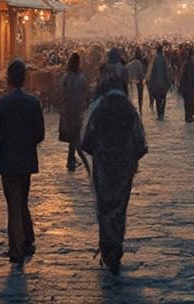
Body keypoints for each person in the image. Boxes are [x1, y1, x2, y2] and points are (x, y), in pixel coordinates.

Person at [79, 69, 148, 275]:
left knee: (104, 207)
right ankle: (116, 247)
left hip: (104, 166)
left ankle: (107, 248)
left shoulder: (99, 107)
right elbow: (141, 142)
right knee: (119, 208)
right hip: (124, 167)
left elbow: (86, 140)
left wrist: (99, 153)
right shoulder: (128, 108)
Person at [0, 59, 45, 265]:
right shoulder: (33, 103)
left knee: (14, 204)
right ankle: (28, 237)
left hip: (8, 160)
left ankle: (16, 248)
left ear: (9, 79)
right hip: (25, 161)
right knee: (21, 199)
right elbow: (39, 134)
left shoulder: (2, 104)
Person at [59, 53, 89, 172]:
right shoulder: (81, 79)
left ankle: (71, 160)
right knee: (75, 138)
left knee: (73, 137)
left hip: (68, 111)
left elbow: (61, 94)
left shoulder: (66, 77)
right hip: (77, 111)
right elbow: (85, 95)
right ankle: (75, 161)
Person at [146, 44, 171, 120]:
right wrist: (168, 81)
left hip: (156, 83)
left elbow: (152, 72)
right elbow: (167, 71)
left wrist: (151, 82)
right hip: (163, 83)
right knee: (163, 98)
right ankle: (162, 114)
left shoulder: (155, 59)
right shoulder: (164, 59)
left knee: (158, 99)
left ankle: (159, 115)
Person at [179, 47, 194, 123]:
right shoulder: (192, 65)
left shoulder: (185, 64)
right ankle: (190, 116)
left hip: (186, 87)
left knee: (187, 103)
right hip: (191, 88)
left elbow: (181, 76)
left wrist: (180, 87)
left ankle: (187, 116)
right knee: (191, 103)